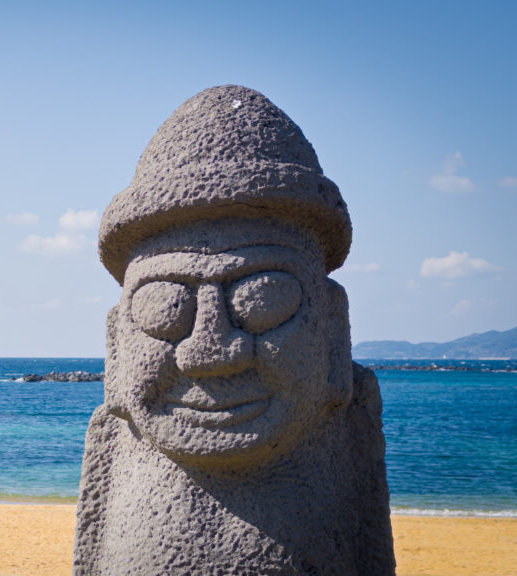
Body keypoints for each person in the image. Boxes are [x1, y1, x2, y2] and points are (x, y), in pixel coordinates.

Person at [73, 85, 394, 575]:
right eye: (164, 308)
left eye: (262, 300)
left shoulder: (349, 428)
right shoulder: (114, 440)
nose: (209, 352)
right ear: (116, 346)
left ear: (333, 331)